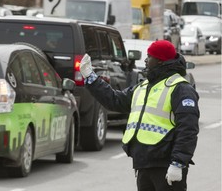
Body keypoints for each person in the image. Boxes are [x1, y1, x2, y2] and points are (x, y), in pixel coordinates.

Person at [79, 40, 199, 191]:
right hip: (143, 164)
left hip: (166, 165)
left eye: (150, 57)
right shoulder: (142, 87)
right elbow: (114, 100)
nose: (146, 60)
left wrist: (178, 163)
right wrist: (91, 78)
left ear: (160, 61)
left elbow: (188, 129)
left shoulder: (180, 88)